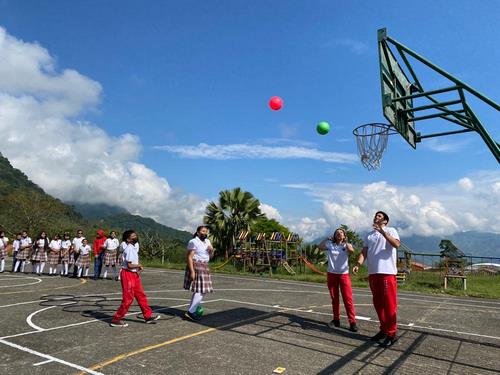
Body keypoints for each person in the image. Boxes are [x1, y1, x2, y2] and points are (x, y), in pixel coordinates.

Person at [353, 211, 400, 348]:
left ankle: (392, 333)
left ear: (385, 221)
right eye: (375, 215)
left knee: (389, 304)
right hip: (373, 272)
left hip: (387, 272)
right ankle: (384, 329)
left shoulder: (391, 230)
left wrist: (383, 232)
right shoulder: (369, 235)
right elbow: (364, 251)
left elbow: (396, 244)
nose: (376, 217)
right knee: (378, 303)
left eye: (380, 216)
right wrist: (358, 264)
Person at [110, 230, 160, 327]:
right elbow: (129, 265)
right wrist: (139, 265)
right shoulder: (128, 248)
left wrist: (137, 267)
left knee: (141, 295)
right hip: (128, 274)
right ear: (128, 239)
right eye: (133, 236)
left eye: (135, 235)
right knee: (128, 299)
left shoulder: (133, 247)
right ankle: (116, 319)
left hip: (134, 274)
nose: (135, 236)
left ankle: (148, 316)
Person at [319, 228, 357, 332]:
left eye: (341, 233)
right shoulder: (331, 245)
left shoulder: (346, 245)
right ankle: (336, 320)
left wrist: (347, 244)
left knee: (348, 299)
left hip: (344, 275)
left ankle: (352, 322)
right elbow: (320, 247)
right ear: (334, 236)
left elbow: (352, 251)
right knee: (334, 299)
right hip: (332, 274)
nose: (339, 234)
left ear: (344, 235)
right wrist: (326, 238)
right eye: (337, 233)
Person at [183, 225, 214, 321]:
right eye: (203, 231)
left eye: (206, 231)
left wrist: (211, 250)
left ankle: (191, 310)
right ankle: (191, 312)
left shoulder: (208, 241)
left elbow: (210, 256)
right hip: (197, 266)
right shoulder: (193, 241)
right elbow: (189, 257)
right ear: (197, 232)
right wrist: (192, 271)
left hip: (204, 266)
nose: (204, 233)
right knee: (201, 290)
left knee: (200, 290)